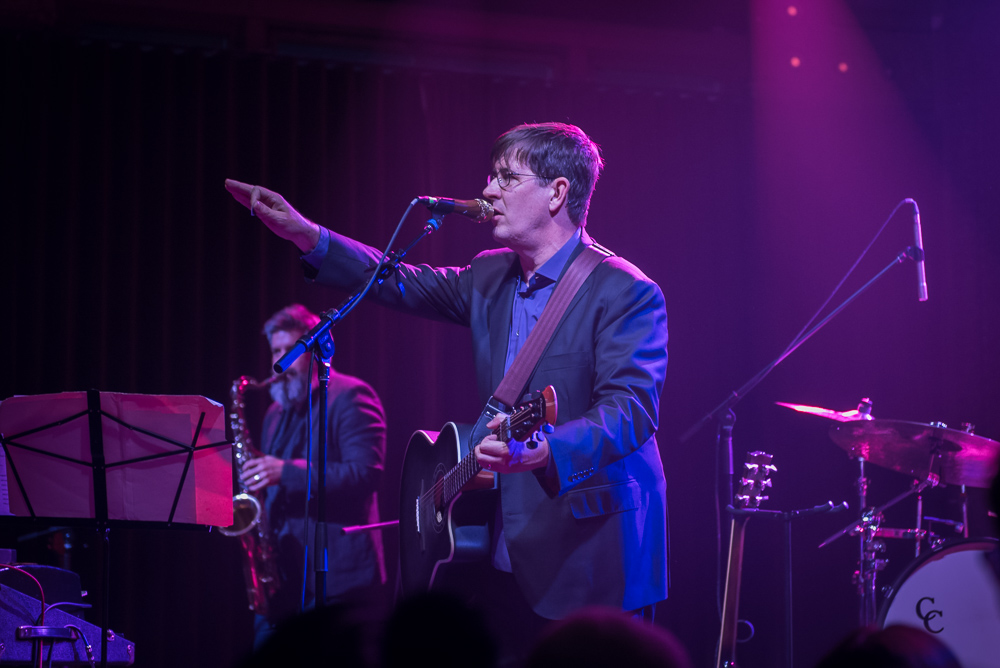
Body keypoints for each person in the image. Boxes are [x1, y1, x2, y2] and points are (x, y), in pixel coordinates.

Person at [226, 122, 668, 655]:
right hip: (506, 546)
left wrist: (550, 448)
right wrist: (306, 234)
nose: (487, 190)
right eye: (491, 175)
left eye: (507, 177)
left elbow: (631, 409)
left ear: (557, 192)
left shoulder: (625, 290)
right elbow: (395, 280)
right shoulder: (490, 276)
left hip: (593, 553)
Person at [241, 304, 387, 648]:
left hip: (337, 580)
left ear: (314, 351)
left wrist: (285, 472)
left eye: (289, 351)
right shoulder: (275, 413)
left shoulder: (351, 396)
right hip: (282, 578)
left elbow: (366, 473)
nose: (279, 363)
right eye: (275, 352)